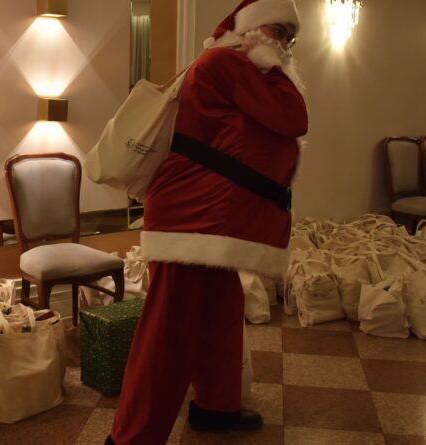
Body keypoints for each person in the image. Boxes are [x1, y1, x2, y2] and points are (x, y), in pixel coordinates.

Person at [106, 0, 308, 443]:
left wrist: (269, 59)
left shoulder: (239, 67)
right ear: (253, 29)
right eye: (278, 32)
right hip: (191, 218)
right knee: (168, 333)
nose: (284, 45)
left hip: (211, 222)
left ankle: (217, 407)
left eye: (290, 38)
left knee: (221, 312)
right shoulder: (225, 62)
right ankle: (132, 437)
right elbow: (294, 117)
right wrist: (274, 65)